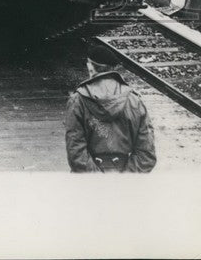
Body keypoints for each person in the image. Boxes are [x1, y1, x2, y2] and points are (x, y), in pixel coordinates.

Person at [64, 41, 156, 173]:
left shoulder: (78, 100)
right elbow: (147, 154)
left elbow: (76, 152)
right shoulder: (134, 100)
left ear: (91, 68)